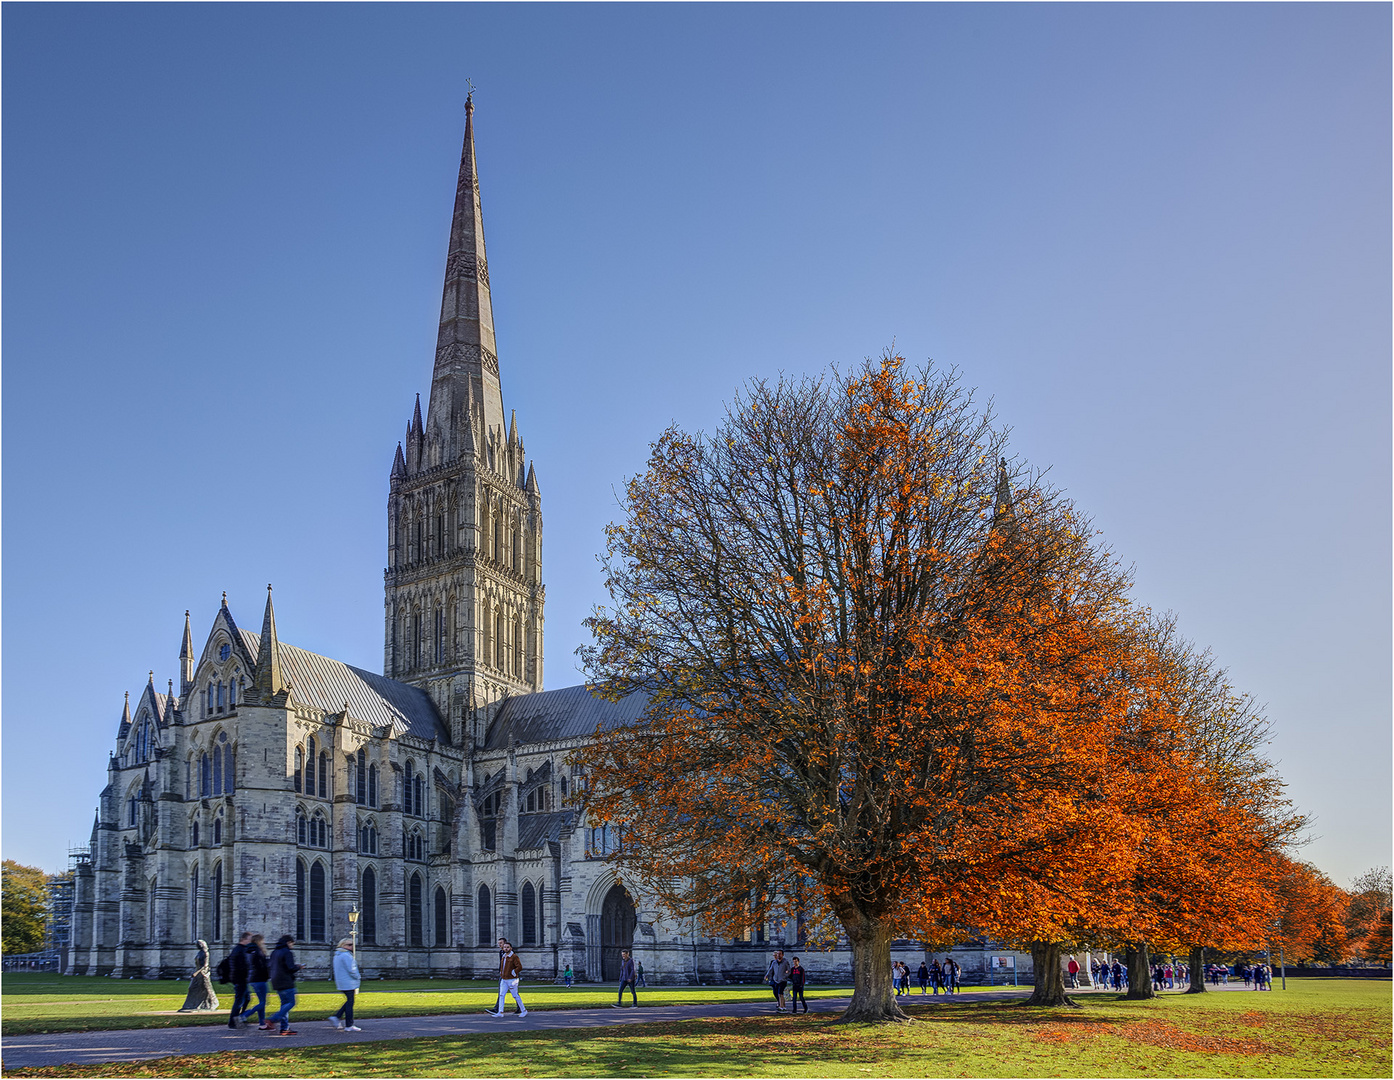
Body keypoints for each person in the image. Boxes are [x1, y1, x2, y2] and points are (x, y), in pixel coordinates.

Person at [267, 935, 302, 1035]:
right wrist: (298, 967)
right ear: (288, 942)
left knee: (284, 1005)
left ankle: (284, 1028)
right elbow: (290, 967)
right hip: (286, 981)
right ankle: (273, 1019)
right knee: (291, 1003)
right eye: (292, 944)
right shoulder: (287, 952)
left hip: (276, 981)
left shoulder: (274, 952)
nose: (292, 946)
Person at [329, 938, 363, 1031]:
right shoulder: (346, 955)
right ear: (343, 945)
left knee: (349, 1001)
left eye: (352, 944)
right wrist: (358, 976)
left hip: (342, 981)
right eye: (349, 945)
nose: (351, 946)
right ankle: (349, 1025)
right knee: (350, 1002)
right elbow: (352, 969)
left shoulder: (338, 955)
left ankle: (337, 1016)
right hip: (349, 982)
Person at [487, 938, 527, 1017]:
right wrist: (501, 973)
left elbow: (519, 967)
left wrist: (513, 972)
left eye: (507, 947)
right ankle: (500, 1012)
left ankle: (524, 1010)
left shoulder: (514, 957)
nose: (506, 948)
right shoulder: (503, 956)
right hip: (504, 979)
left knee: (515, 995)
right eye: (505, 947)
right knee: (501, 995)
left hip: (512, 980)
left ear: (510, 948)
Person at [239, 934, 272, 1029]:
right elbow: (261, 966)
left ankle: (262, 1024)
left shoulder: (248, 951)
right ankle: (244, 1015)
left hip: (252, 978)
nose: (264, 942)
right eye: (262, 941)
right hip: (260, 979)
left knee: (262, 1002)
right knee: (263, 1003)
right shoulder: (258, 952)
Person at [179, 940, 219, 1012]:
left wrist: (196, 973)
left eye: (198, 944)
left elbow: (205, 965)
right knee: (192, 988)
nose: (197, 946)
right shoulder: (199, 952)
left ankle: (212, 1003)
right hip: (198, 973)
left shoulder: (205, 953)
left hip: (203, 974)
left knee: (206, 990)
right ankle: (191, 1005)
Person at [227, 932, 253, 1028]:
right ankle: (233, 1022)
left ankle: (240, 1018)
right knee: (239, 1001)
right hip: (240, 978)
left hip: (240, 978)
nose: (251, 941)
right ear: (244, 939)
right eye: (249, 939)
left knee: (246, 999)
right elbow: (241, 965)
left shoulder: (240, 949)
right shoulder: (240, 950)